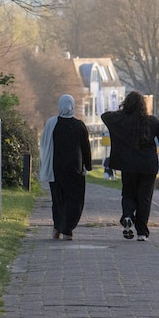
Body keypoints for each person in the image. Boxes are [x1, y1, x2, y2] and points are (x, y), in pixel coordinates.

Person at [101, 91, 159, 242]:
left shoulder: (120, 120)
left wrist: (124, 112)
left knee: (128, 193)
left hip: (128, 165)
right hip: (148, 165)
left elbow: (105, 116)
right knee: (145, 197)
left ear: (126, 104)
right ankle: (142, 232)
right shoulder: (153, 122)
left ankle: (128, 216)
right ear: (143, 105)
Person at [38, 94, 92, 241]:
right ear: (73, 106)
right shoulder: (79, 125)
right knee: (75, 199)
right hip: (75, 169)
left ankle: (57, 227)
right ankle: (67, 229)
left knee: (58, 199)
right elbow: (85, 147)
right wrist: (88, 165)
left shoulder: (52, 124)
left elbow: (44, 144)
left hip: (56, 168)